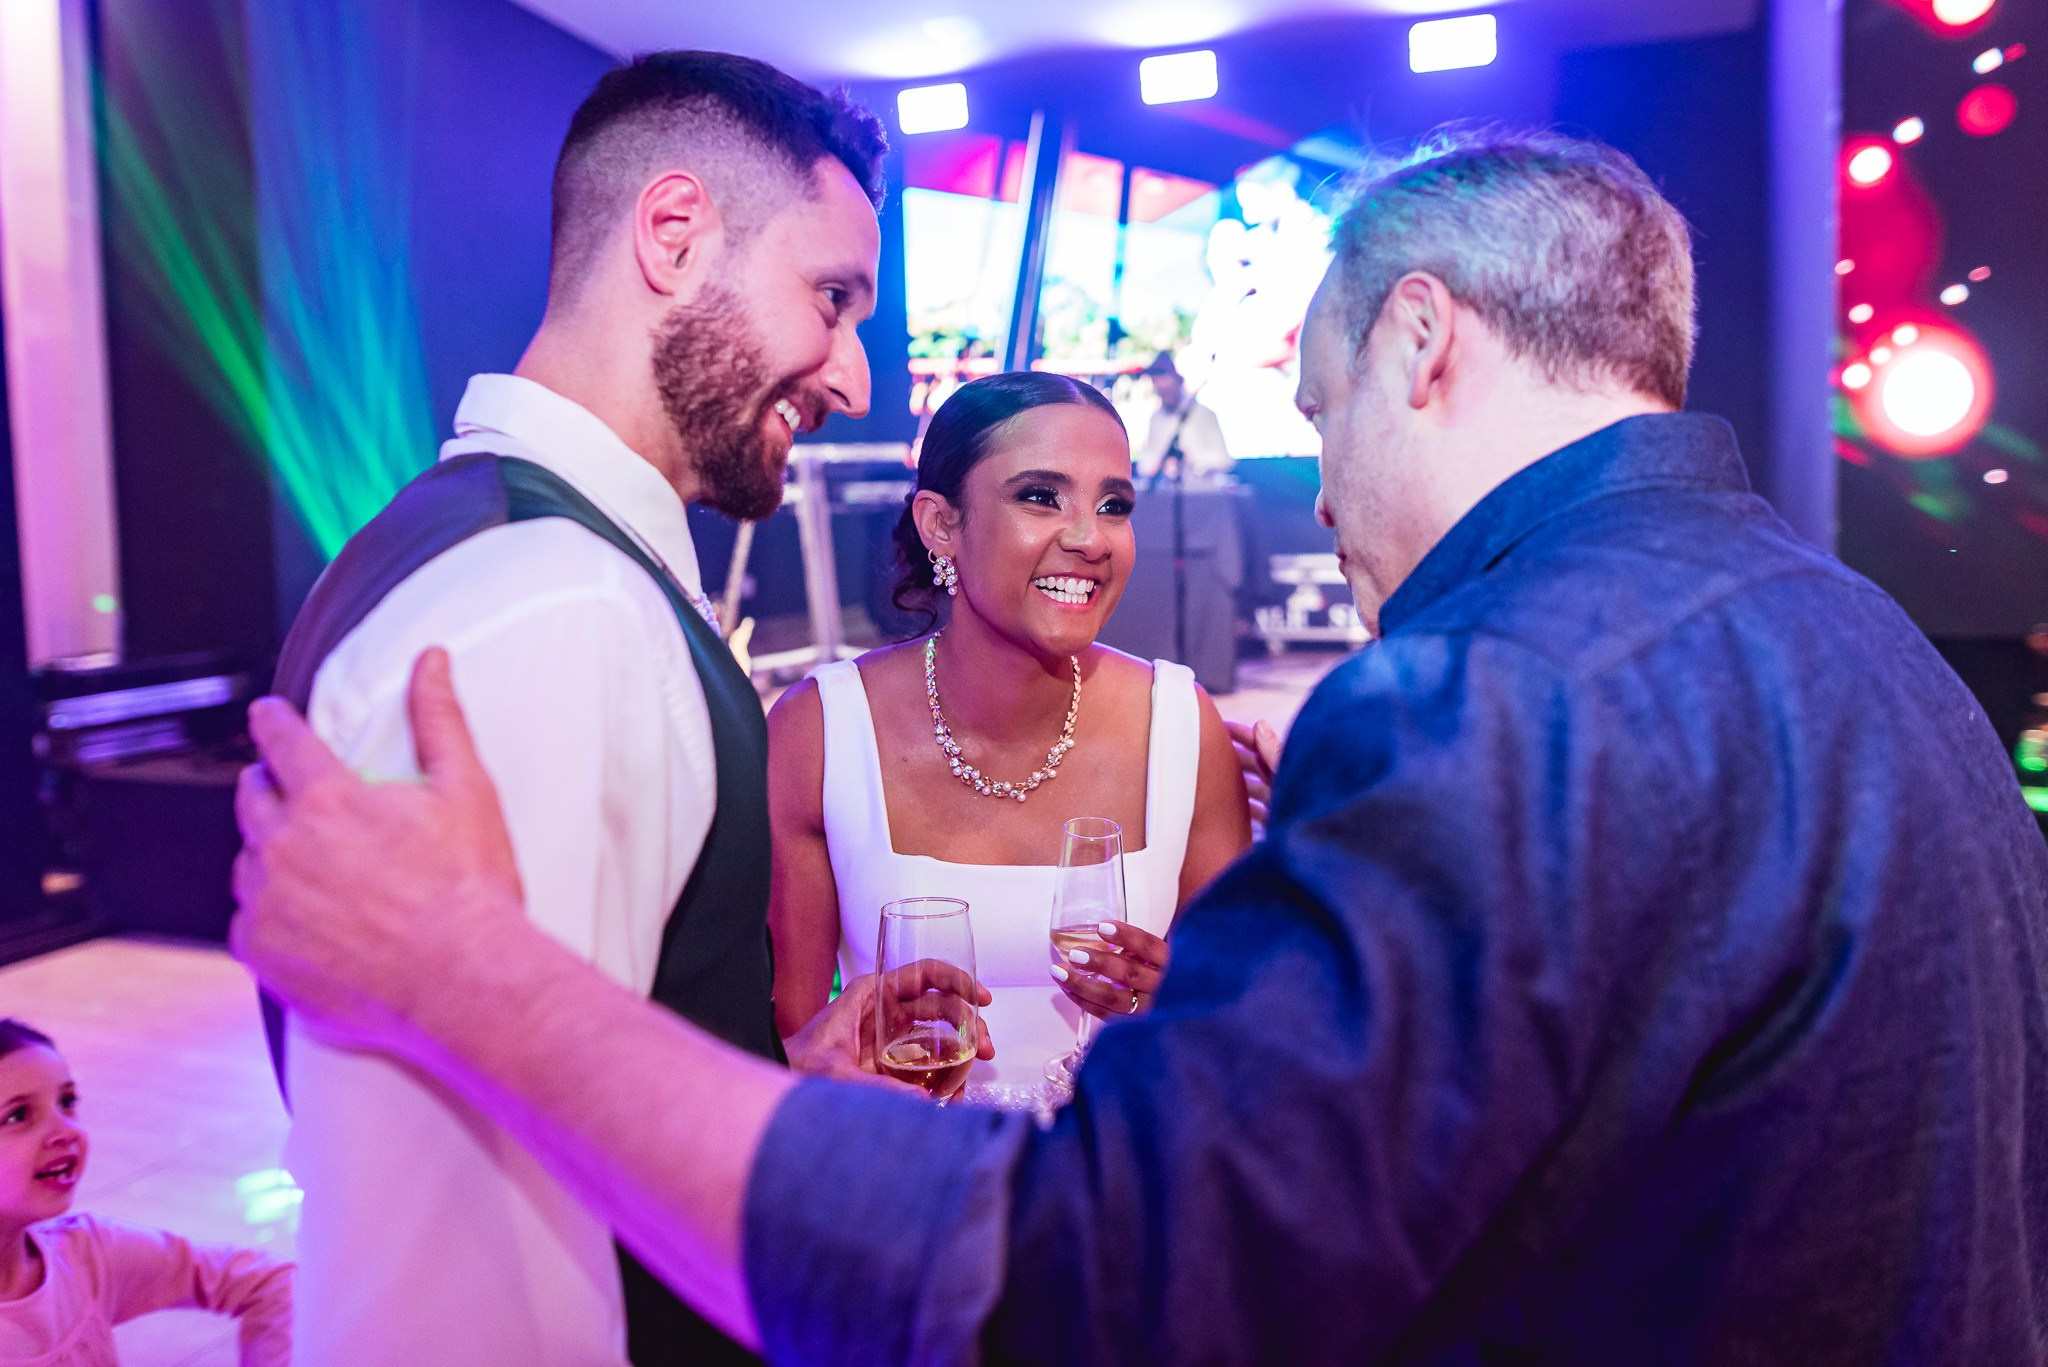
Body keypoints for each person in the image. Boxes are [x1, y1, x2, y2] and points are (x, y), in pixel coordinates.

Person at [229, 128, 2048, 1363]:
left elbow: (1076, 1282)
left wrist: (470, 973)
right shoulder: (1856, 641)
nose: (1321, 486)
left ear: (1421, 343)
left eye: (1319, 408)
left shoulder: (1498, 703)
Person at [260, 51, 885, 1366]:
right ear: (674, 234)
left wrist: (761, 1076)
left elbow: (573, 1051)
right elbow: (473, 1243)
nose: (854, 376)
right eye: (831, 298)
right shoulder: (554, 602)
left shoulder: (476, 546)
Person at [767, 371, 1250, 1099]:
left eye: (1113, 505)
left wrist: (1179, 1005)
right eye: (1040, 496)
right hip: (904, 1183)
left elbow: (1251, 1036)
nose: (1089, 538)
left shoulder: (1183, 729)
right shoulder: (819, 732)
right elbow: (785, 1056)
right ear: (941, 523)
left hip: (1119, 1191)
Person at [0, 1020, 293, 1365]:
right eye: (18, 1115)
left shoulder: (87, 1256)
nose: (65, 1131)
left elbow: (271, 1281)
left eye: (66, 1102)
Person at [1133, 353, 1232, 482]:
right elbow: (1147, 460)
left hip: (1202, 491)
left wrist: (1191, 459)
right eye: (1160, 390)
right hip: (1167, 493)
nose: (1164, 394)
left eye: (1167, 389)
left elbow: (1224, 459)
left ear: (1177, 381)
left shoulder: (1203, 413)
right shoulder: (1156, 418)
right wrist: (1157, 465)